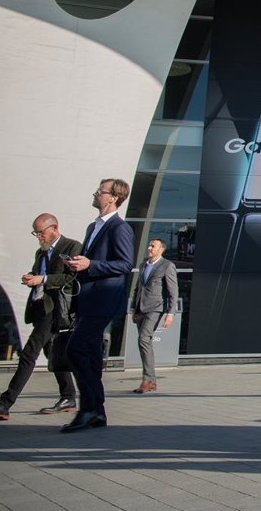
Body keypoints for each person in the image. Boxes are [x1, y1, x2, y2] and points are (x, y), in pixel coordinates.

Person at [62, 178, 135, 433]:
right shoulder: (93, 226)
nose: (95, 194)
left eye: (100, 191)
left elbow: (125, 264)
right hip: (88, 301)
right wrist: (79, 263)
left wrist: (90, 264)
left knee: (75, 349)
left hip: (103, 302)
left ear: (113, 197)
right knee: (91, 357)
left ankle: (88, 409)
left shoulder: (120, 228)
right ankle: (97, 412)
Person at [0, 214, 82, 421]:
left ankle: (5, 403)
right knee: (52, 353)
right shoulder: (41, 252)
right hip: (39, 308)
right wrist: (30, 277)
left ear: (54, 228)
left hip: (54, 310)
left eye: (41, 232)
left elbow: (71, 278)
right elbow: (38, 274)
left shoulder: (72, 247)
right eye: (36, 233)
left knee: (28, 354)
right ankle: (68, 397)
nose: (39, 237)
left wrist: (42, 279)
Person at [130, 238, 178, 395]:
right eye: (149, 245)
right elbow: (138, 288)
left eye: (153, 246)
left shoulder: (167, 266)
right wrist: (133, 308)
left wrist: (170, 313)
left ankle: (147, 380)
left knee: (143, 339)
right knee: (145, 343)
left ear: (161, 249)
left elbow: (172, 292)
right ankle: (151, 381)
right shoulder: (143, 265)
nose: (149, 248)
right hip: (140, 309)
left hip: (155, 308)